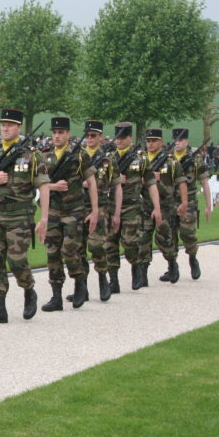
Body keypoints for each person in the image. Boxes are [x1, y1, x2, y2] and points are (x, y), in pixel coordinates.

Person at [0, 109, 50, 324]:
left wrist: (44, 218)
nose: (5, 128)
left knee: (17, 261)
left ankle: (29, 290)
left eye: (10, 125)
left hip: (20, 214)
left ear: (19, 128)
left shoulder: (31, 155)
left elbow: (44, 186)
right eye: (3, 124)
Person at [40, 117, 98, 311]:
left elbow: (91, 183)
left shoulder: (80, 156)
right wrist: (53, 186)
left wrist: (95, 211)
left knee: (69, 250)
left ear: (68, 134)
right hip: (53, 211)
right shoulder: (44, 156)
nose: (57, 136)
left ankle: (80, 282)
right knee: (52, 253)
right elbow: (37, 184)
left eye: (61, 132)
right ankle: (56, 296)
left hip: (74, 210)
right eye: (54, 132)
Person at [66, 120, 122, 302]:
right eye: (87, 135)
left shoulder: (108, 158)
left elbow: (117, 186)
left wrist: (116, 213)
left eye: (93, 136)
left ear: (101, 137)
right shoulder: (76, 155)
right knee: (77, 249)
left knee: (97, 245)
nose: (89, 139)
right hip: (77, 206)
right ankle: (81, 287)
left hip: (100, 207)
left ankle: (102, 279)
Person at [104, 123, 161, 292]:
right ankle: (113, 280)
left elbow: (151, 183)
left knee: (130, 243)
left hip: (132, 206)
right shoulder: (107, 156)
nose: (119, 141)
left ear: (130, 138)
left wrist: (156, 208)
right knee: (109, 244)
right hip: (111, 205)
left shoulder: (141, 158)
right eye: (117, 138)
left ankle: (136, 268)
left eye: (123, 138)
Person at [138, 128, 187, 285]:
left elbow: (181, 182)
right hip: (145, 205)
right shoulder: (140, 160)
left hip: (165, 206)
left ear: (160, 142)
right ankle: (143, 274)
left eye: (154, 141)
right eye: (148, 141)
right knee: (143, 240)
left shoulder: (171, 162)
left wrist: (184, 202)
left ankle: (172, 264)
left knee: (164, 239)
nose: (150, 144)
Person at [162, 128, 210, 280]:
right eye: (176, 140)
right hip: (170, 203)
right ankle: (172, 267)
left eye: (181, 140)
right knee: (169, 237)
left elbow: (204, 182)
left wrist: (209, 206)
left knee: (187, 234)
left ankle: (192, 258)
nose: (178, 143)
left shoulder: (195, 159)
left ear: (187, 142)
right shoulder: (167, 158)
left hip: (188, 202)